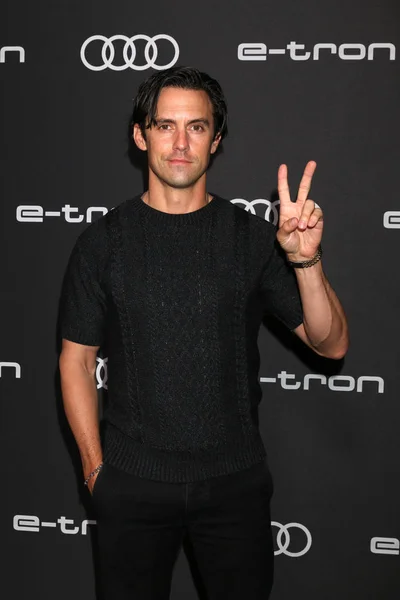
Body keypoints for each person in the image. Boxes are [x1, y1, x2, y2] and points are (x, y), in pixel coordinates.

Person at [59, 65, 348, 600]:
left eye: (196, 127)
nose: (179, 143)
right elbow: (75, 360)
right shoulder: (104, 242)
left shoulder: (250, 238)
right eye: (166, 125)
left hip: (234, 486)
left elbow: (331, 344)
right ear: (140, 134)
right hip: (131, 485)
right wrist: (96, 472)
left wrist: (306, 262)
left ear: (215, 140)